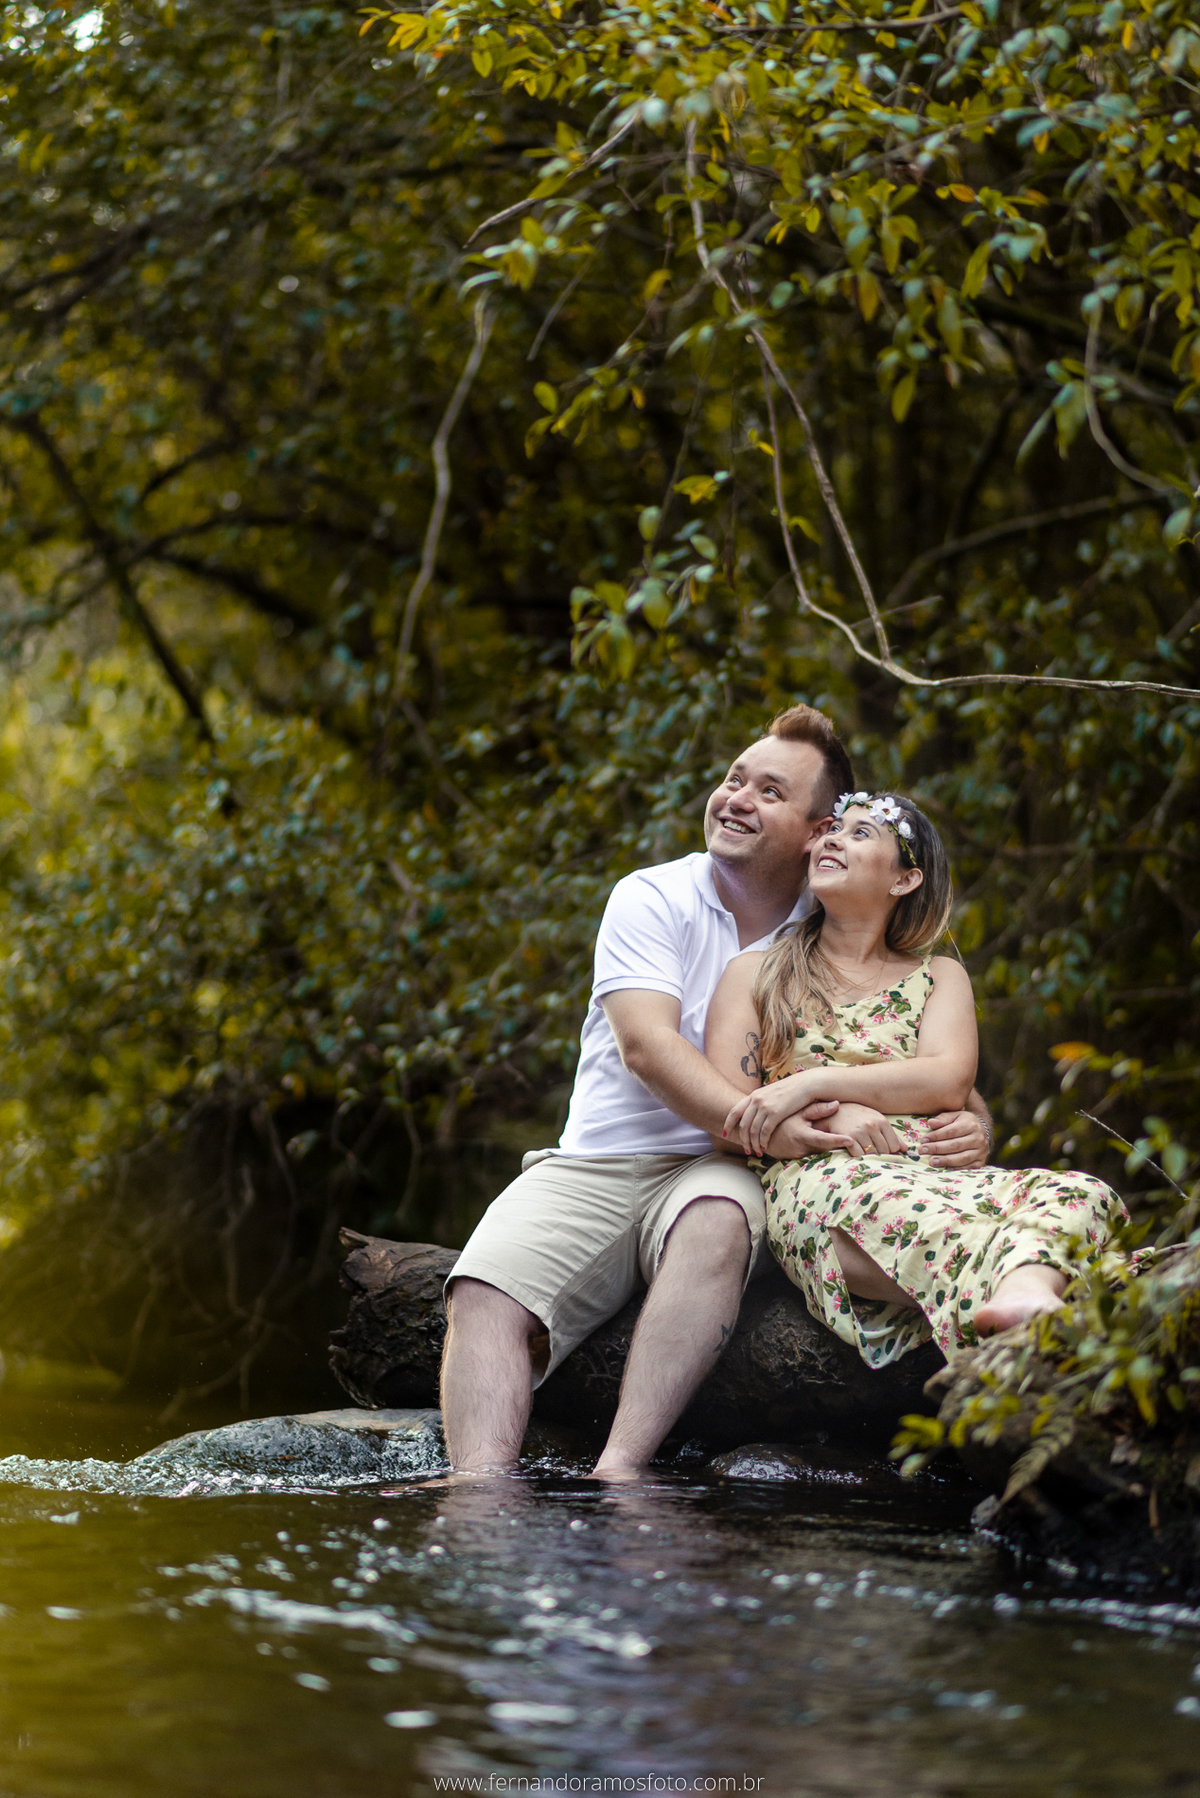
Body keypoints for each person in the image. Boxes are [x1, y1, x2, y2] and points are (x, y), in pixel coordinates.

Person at [438, 715, 993, 1480]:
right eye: (735, 778)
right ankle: (476, 1497)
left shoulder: (834, 909)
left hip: (730, 1169)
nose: (736, 798)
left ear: (815, 829)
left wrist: (974, 1121)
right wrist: (783, 1127)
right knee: (482, 1288)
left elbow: (906, 1043)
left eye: (770, 791)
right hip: (604, 1158)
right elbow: (649, 1049)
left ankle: (620, 1475)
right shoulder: (651, 896)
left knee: (718, 1219)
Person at [705, 791, 1126, 1364]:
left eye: (860, 834)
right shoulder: (756, 972)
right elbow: (730, 1118)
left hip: (937, 1173)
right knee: (899, 1207)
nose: (832, 838)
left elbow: (947, 1080)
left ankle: (1023, 1294)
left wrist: (815, 1081)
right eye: (833, 829)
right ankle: (1032, 1289)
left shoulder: (938, 976)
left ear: (904, 880)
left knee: (1084, 1191)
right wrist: (832, 1113)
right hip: (827, 1183)